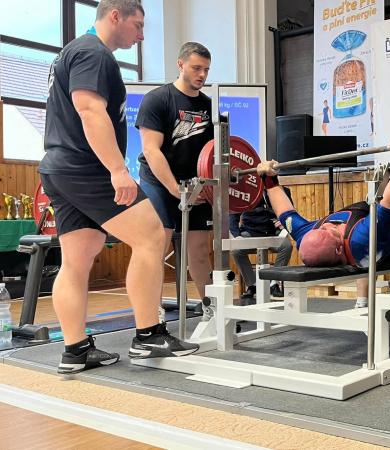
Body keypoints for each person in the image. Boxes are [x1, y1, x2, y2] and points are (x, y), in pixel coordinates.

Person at [39, 0, 198, 374]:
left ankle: (76, 350)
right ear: (115, 16)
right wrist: (117, 169)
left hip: (59, 169)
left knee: (78, 258)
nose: (141, 35)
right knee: (152, 236)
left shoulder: (71, 53)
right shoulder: (93, 53)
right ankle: (148, 335)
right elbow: (89, 111)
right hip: (86, 167)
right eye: (137, 25)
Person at [256, 161, 390, 329]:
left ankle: (362, 305)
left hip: (371, 250)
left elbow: (284, 211)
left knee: (367, 257)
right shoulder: (361, 236)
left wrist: (268, 177)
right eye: (331, 231)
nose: (328, 225)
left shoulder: (306, 237)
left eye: (323, 227)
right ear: (339, 248)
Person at [135, 42, 214, 300]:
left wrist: (206, 189)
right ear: (180, 64)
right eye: (196, 68)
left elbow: (214, 152)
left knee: (200, 250)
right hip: (159, 181)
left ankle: (212, 309)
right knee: (157, 246)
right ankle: (151, 314)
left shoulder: (209, 106)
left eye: (206, 69)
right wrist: (175, 189)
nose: (202, 74)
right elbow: (151, 150)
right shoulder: (157, 99)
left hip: (195, 184)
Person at [230, 190, 294, 300]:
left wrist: (284, 221)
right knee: (237, 250)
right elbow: (232, 216)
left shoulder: (283, 191)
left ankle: (274, 283)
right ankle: (252, 285)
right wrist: (236, 236)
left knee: (286, 246)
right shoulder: (245, 192)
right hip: (251, 232)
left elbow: (291, 214)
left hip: (273, 233)